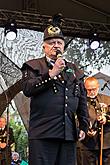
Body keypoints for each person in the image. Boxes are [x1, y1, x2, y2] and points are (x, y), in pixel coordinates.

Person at [21, 22, 89, 165]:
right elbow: (27, 89)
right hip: (42, 134)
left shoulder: (74, 70)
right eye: (51, 42)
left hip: (68, 134)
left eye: (59, 42)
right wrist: (51, 74)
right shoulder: (33, 66)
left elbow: (82, 99)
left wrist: (84, 125)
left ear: (63, 46)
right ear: (44, 47)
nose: (56, 45)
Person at [77, 76, 110, 165]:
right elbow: (74, 117)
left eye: (94, 89)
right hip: (86, 144)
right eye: (89, 90)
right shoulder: (79, 101)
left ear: (98, 87)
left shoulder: (107, 99)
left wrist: (106, 119)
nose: (91, 92)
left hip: (105, 143)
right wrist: (84, 128)